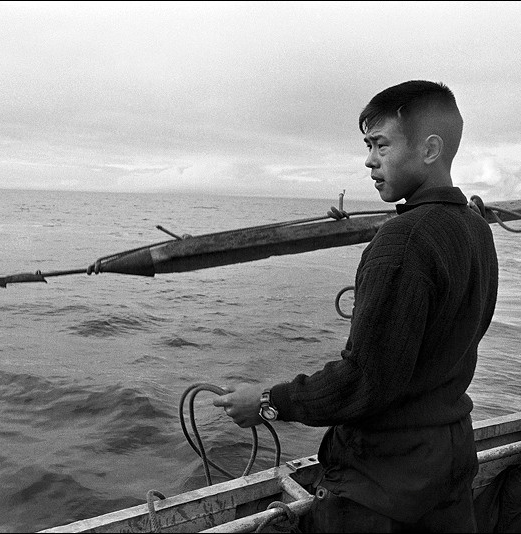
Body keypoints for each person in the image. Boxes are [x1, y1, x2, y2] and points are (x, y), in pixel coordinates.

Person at [213, 80, 498, 532]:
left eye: (380, 145)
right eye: (368, 146)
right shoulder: (475, 229)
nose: (369, 160)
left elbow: (366, 380)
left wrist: (267, 401)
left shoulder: (403, 241)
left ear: (429, 149)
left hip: (383, 481)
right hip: (449, 459)